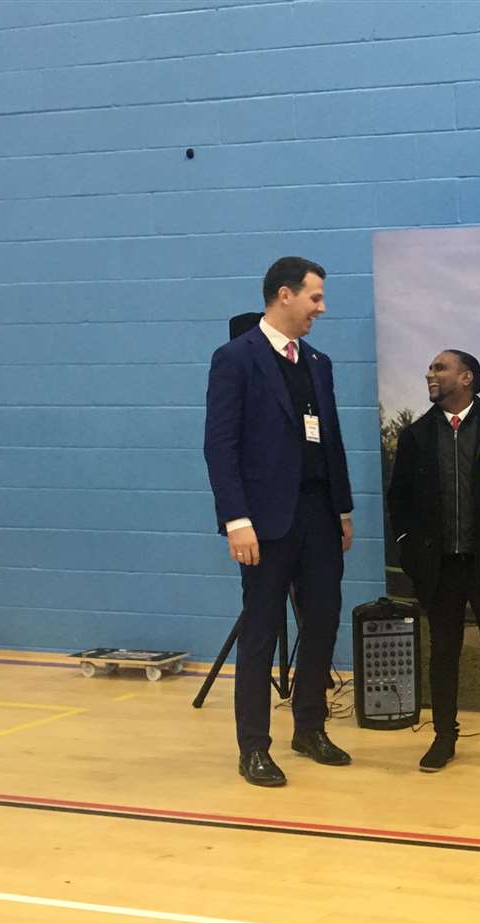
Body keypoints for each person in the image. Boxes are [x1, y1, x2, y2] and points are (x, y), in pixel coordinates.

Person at [204, 257, 354, 787]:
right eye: (315, 297)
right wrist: (235, 520)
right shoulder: (235, 359)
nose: (322, 307)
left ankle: (309, 728)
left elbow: (330, 440)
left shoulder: (318, 361)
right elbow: (220, 446)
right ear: (284, 295)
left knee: (322, 621)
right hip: (264, 522)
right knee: (262, 631)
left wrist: (343, 509)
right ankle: (254, 747)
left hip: (317, 516)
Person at [386, 350, 480, 773]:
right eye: (430, 368)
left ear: (466, 377)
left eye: (439, 368)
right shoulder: (417, 435)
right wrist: (408, 545)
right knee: (443, 652)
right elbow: (397, 499)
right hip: (439, 568)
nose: (429, 374)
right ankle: (443, 738)